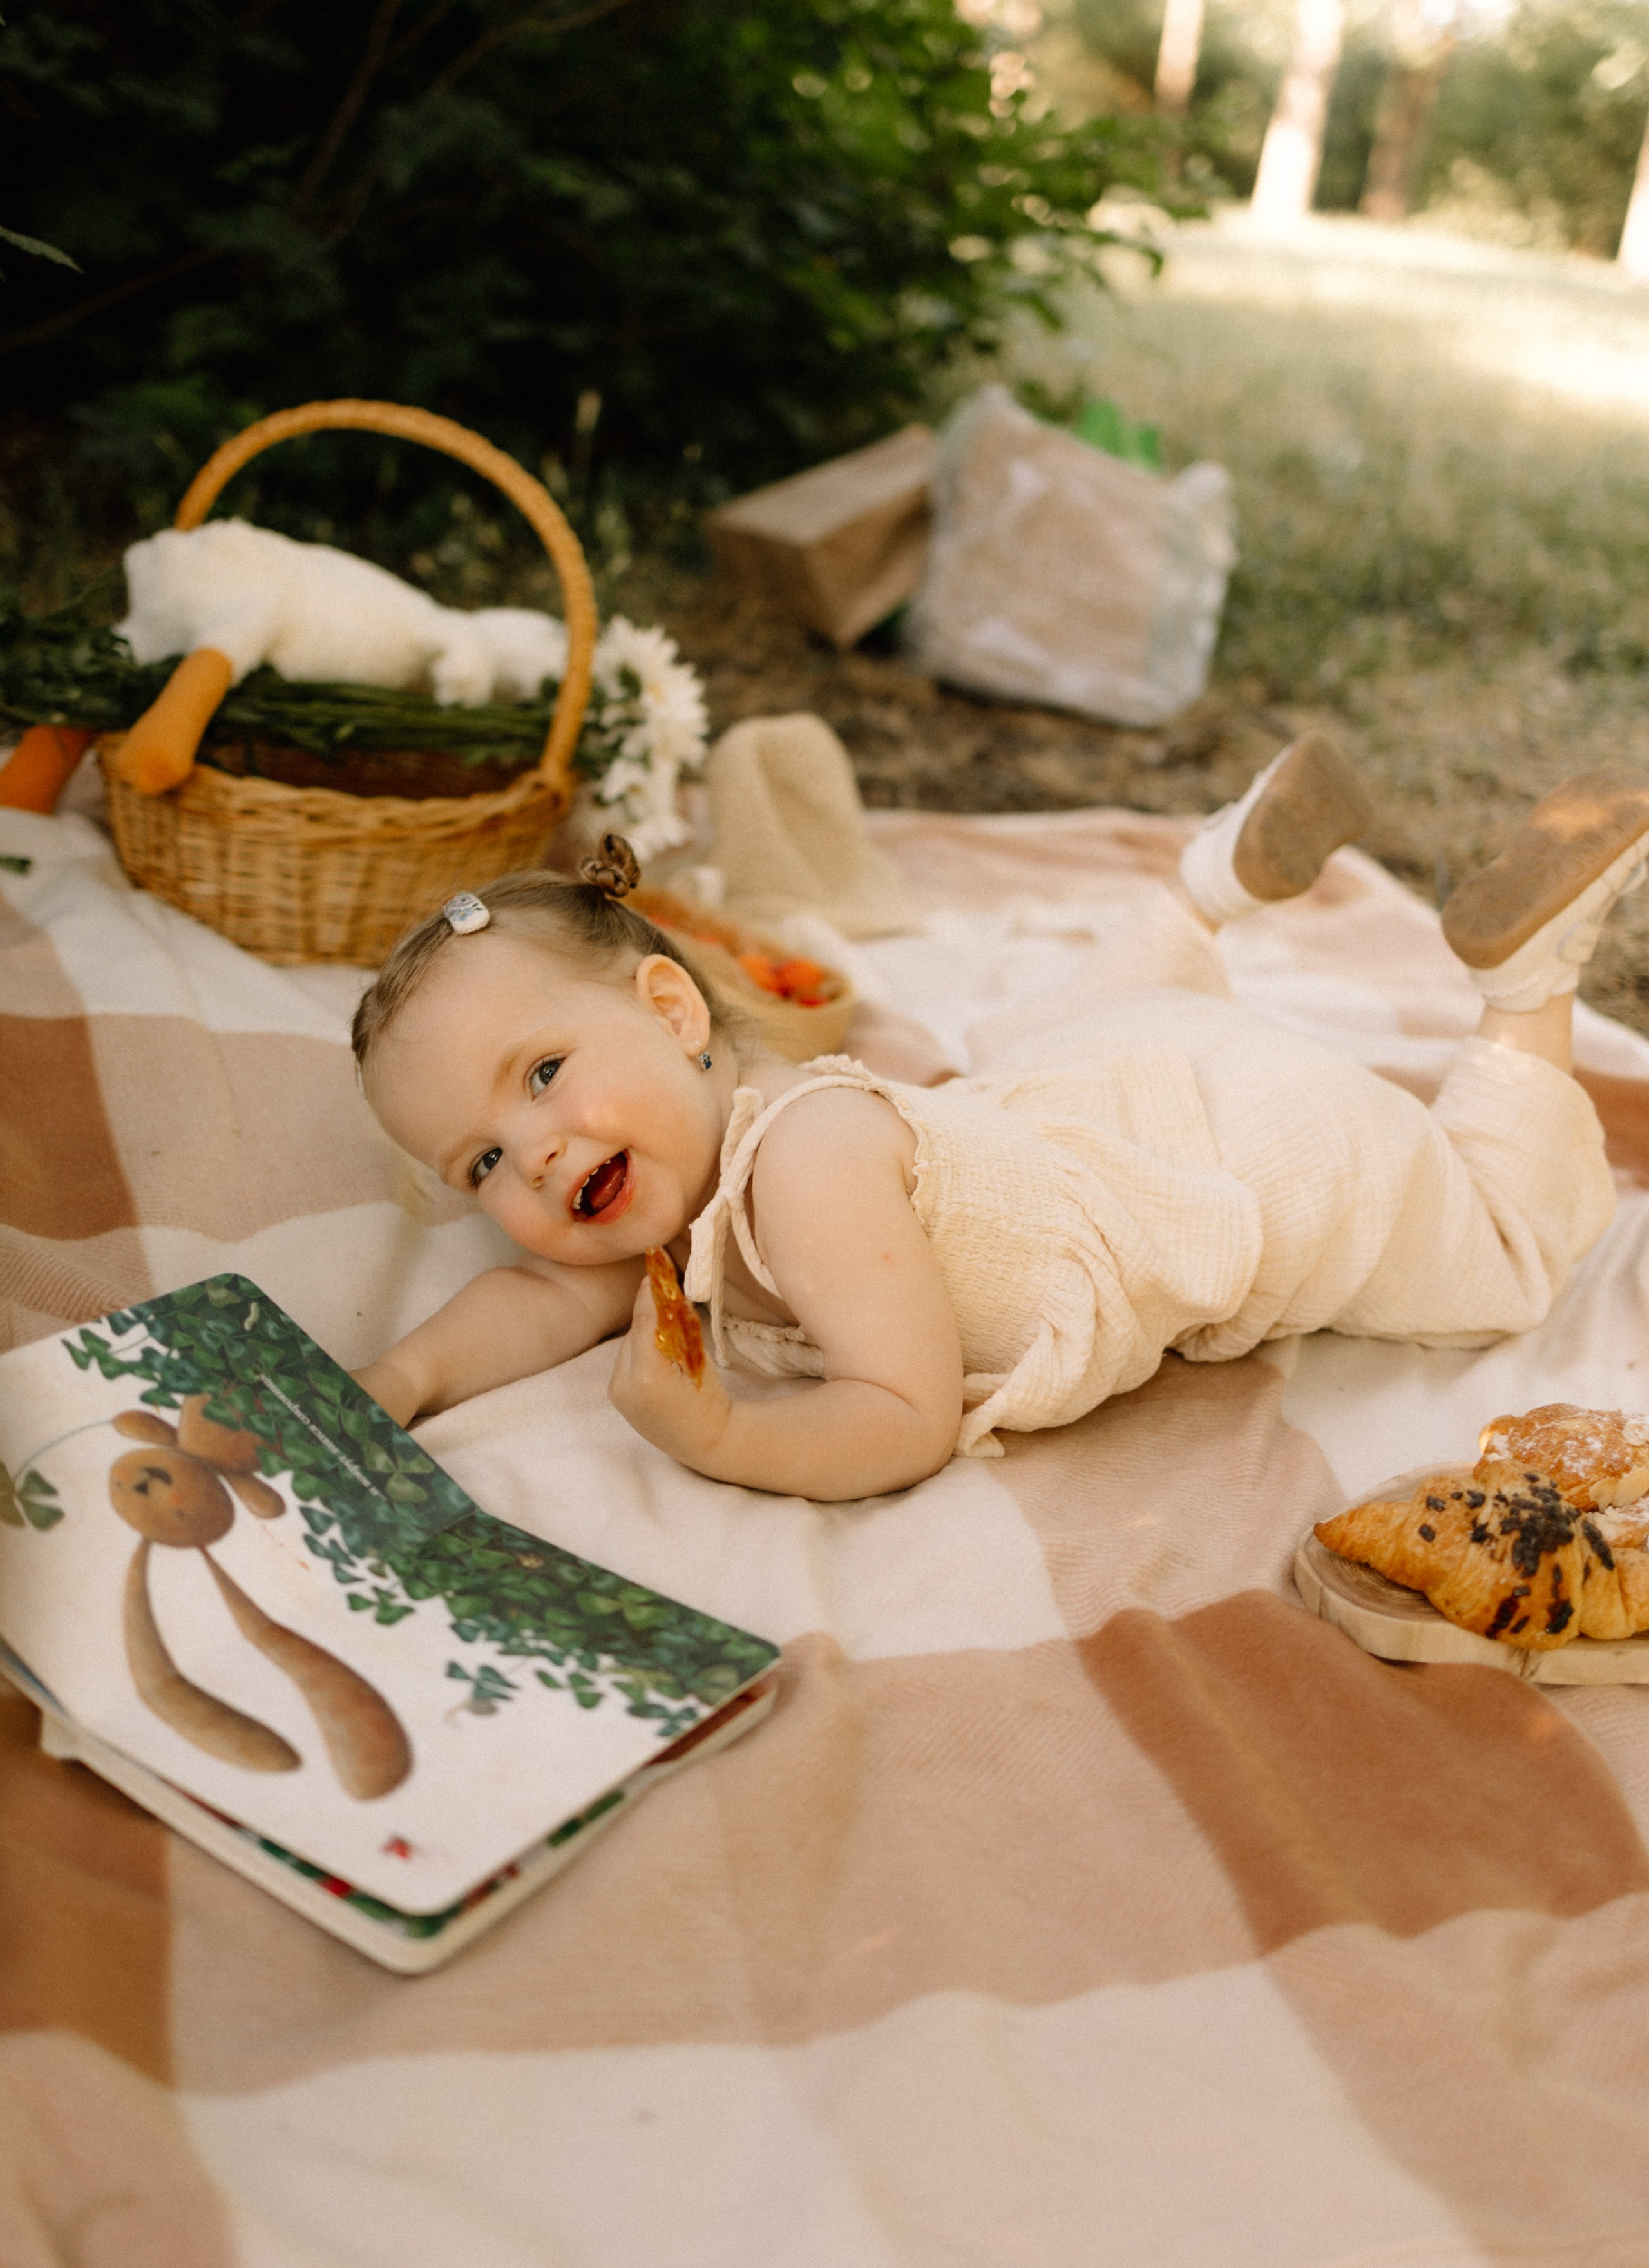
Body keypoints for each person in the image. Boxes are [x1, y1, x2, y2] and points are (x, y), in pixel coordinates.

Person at [350, 740, 1649, 1503]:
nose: (534, 1152)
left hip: (1246, 1147)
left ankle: (1524, 979)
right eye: (481, 1159)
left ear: (673, 1009)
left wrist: (723, 1433)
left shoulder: (802, 1163)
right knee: (1043, 1039)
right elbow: (542, 1296)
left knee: (1494, 1252)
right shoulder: (662, 1187)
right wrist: (398, 1379)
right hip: (1093, 1085)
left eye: (540, 1074)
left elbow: (901, 1412)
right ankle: (1201, 890)